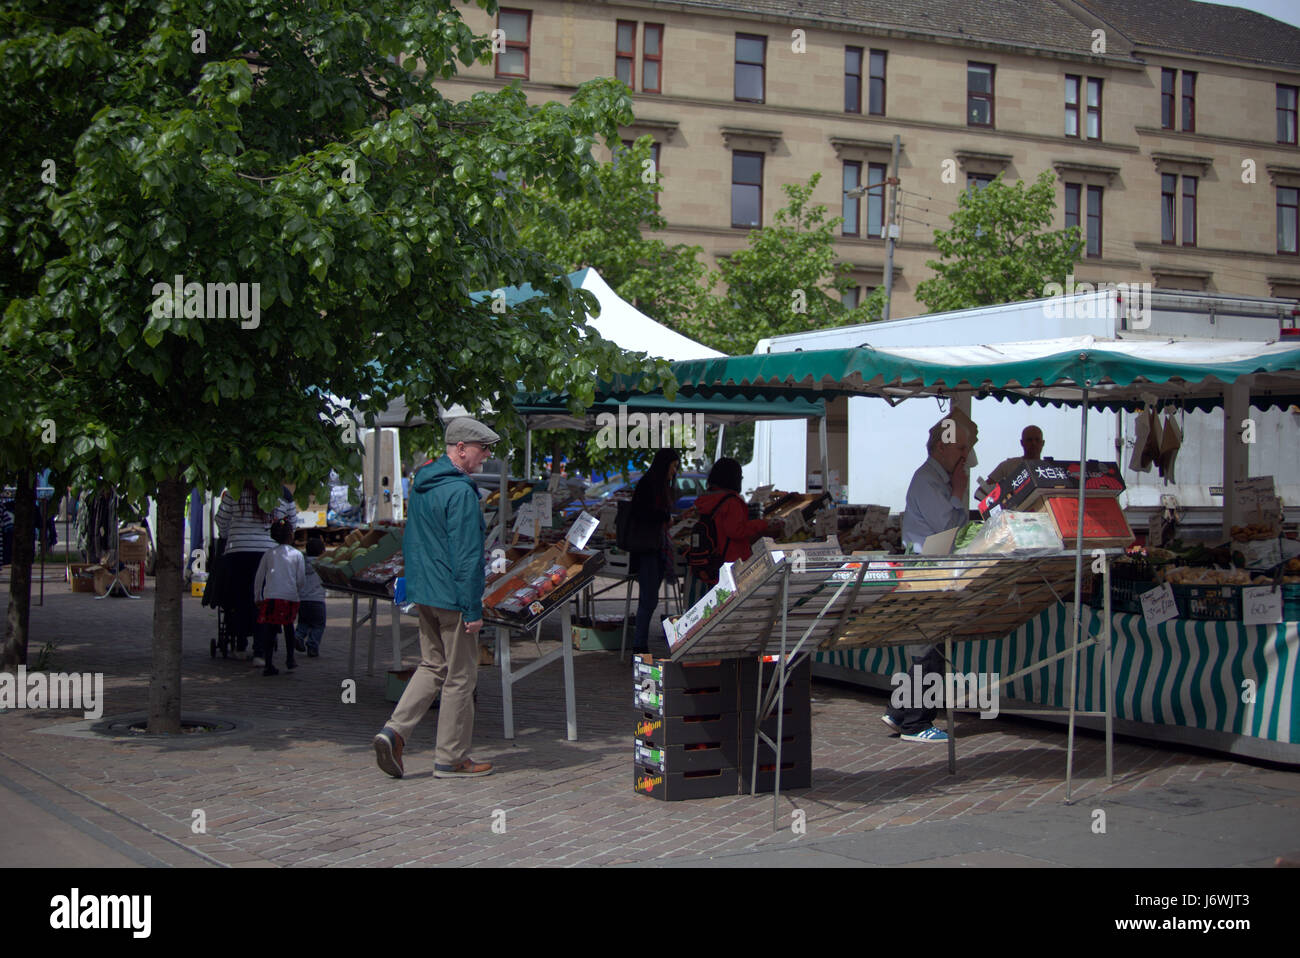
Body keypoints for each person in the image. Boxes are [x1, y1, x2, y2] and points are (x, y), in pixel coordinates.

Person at [373, 417, 500, 780]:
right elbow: (467, 557)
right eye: (482, 448)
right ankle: (452, 757)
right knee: (461, 676)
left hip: (425, 592)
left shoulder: (424, 484)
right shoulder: (460, 492)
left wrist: (414, 588)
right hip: (451, 596)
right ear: (461, 448)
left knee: (433, 665)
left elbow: (413, 542)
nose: (486, 455)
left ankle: (395, 730)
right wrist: (472, 608)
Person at [884, 417, 974, 744]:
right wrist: (960, 492)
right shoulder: (928, 480)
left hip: (928, 568)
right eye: (961, 448)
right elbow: (948, 525)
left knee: (928, 643)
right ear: (941, 447)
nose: (966, 455)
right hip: (926, 569)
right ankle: (917, 723)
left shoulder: (934, 479)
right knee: (929, 647)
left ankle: (899, 711)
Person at [688, 458, 773, 601]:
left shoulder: (707, 500)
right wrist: (762, 525)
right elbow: (736, 530)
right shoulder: (731, 502)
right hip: (731, 562)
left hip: (712, 560)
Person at [626, 447, 681, 654]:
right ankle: (639, 646)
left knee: (649, 599)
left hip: (655, 546)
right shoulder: (650, 485)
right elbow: (644, 514)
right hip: (649, 548)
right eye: (673, 466)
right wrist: (665, 518)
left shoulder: (655, 484)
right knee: (648, 599)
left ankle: (640, 645)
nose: (674, 471)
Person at [252, 518, 308, 676]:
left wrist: (258, 595)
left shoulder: (269, 554)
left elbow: (259, 577)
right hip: (290, 596)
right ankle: (290, 659)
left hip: (271, 597)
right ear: (291, 535)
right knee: (289, 627)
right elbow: (301, 579)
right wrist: (296, 591)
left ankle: (268, 664)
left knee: (269, 630)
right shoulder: (297, 555)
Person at [982, 425, 1046, 494]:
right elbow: (981, 493)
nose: (1034, 443)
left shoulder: (1051, 469)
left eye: (1037, 440)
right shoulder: (1007, 466)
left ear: (1042, 443)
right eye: (1029, 440)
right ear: (1022, 443)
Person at [295, 536, 328, 657]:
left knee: (303, 622)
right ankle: (313, 646)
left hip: (302, 600)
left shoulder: (301, 563)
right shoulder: (323, 564)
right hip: (318, 601)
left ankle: (298, 636)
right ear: (322, 551)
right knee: (318, 625)